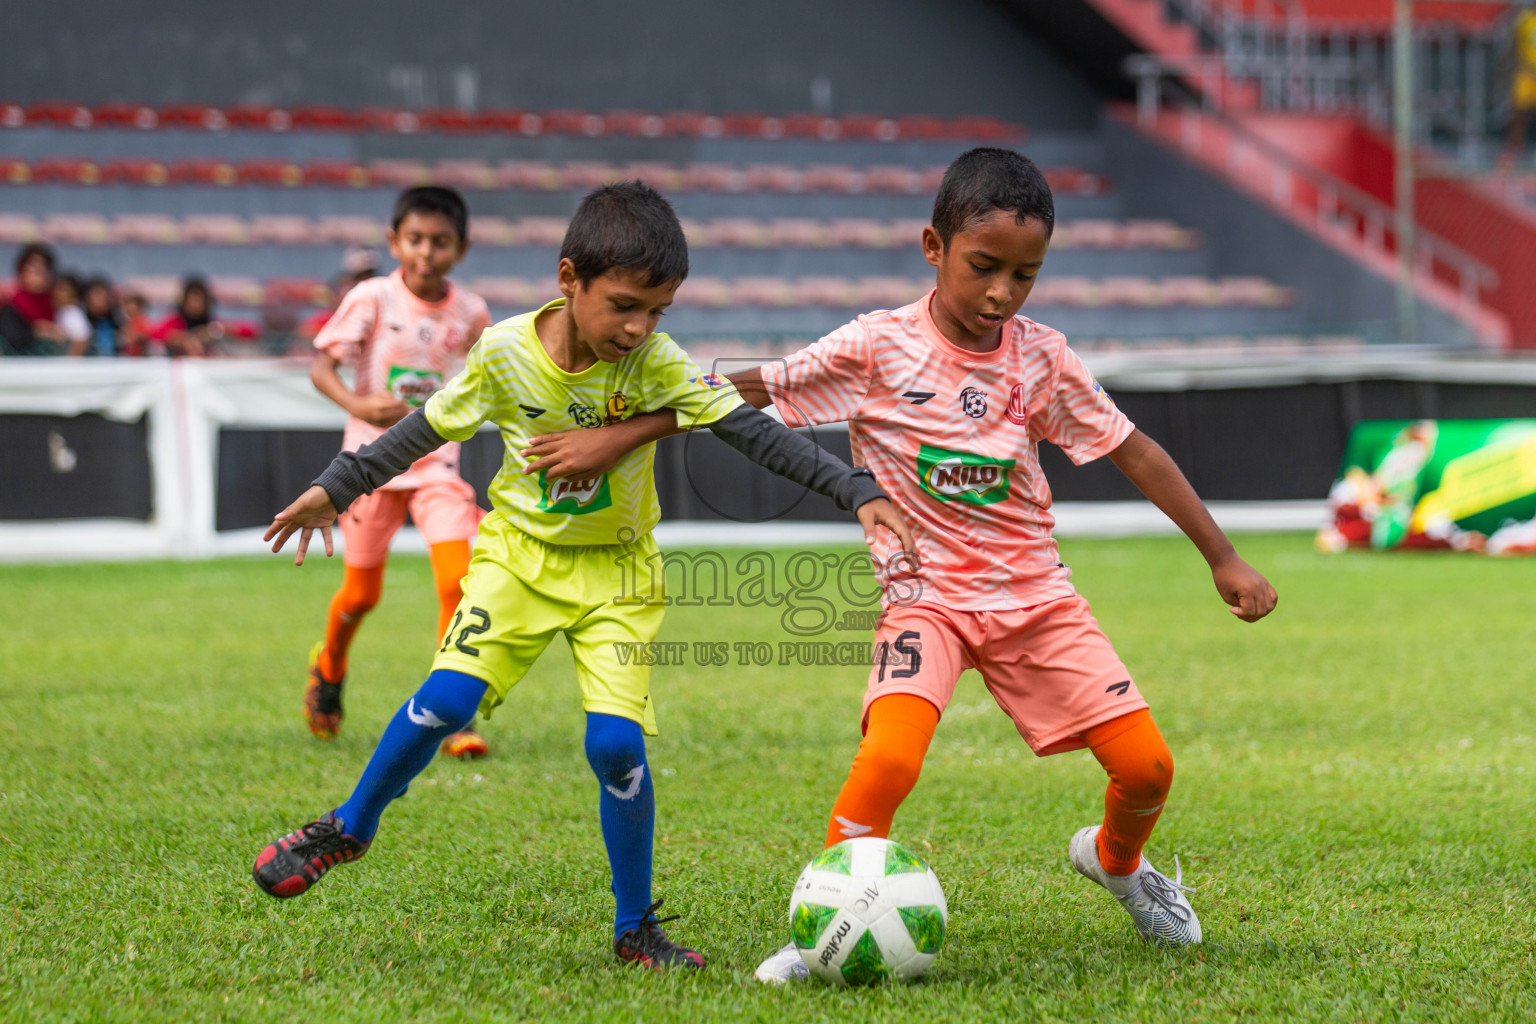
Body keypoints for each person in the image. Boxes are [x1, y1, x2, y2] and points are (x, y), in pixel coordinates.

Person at [531, 150, 1279, 978]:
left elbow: (1135, 453)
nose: (1002, 293)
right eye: (984, 267)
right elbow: (748, 392)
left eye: (1025, 275)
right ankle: (816, 930)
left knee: (1148, 770)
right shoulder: (878, 345)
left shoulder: (1043, 358)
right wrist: (622, 430)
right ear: (935, 245)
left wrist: (1223, 557)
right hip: (924, 599)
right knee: (888, 758)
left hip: (1037, 598)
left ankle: (1117, 862)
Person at [250, 181, 914, 970]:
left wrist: (857, 490)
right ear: (570, 279)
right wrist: (336, 486)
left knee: (615, 749)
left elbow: (753, 433)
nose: (639, 329)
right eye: (625, 306)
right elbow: (424, 427)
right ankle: (350, 826)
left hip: (619, 579)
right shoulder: (503, 352)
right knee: (444, 701)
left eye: (658, 312)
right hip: (517, 562)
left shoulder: (656, 365)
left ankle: (636, 928)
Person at [304, 187, 492, 759]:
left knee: (457, 584)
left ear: (460, 248)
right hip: (369, 468)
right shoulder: (373, 298)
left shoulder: (472, 313)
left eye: (439, 243)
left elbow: (494, 379)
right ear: (394, 241)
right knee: (361, 595)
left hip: (436, 465)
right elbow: (321, 366)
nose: (426, 253)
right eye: (415, 240)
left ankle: (451, 712)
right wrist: (358, 406)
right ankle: (329, 664)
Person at [0, 244, 66, 355]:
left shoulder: (60, 302)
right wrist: (36, 330)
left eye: (44, 269)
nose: (40, 276)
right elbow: (16, 339)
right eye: (34, 270)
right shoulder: (10, 305)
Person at [154, 276, 222, 357]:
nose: (195, 305)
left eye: (199, 301)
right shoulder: (174, 321)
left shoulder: (212, 323)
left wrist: (213, 332)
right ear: (183, 301)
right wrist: (178, 338)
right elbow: (154, 333)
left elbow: (238, 330)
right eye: (191, 300)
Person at [81, 277, 123, 356]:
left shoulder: (116, 319)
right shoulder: (80, 319)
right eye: (98, 293)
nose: (103, 297)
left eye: (105, 293)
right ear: (86, 297)